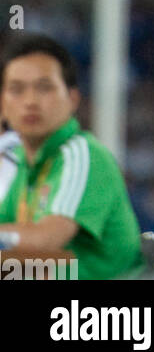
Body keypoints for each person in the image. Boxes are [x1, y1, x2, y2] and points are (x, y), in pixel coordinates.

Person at [0, 34, 143, 279]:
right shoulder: (25, 164)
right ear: (3, 104)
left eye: (44, 88)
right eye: (17, 90)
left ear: (73, 99)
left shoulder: (83, 155)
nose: (30, 102)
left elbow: (46, 240)